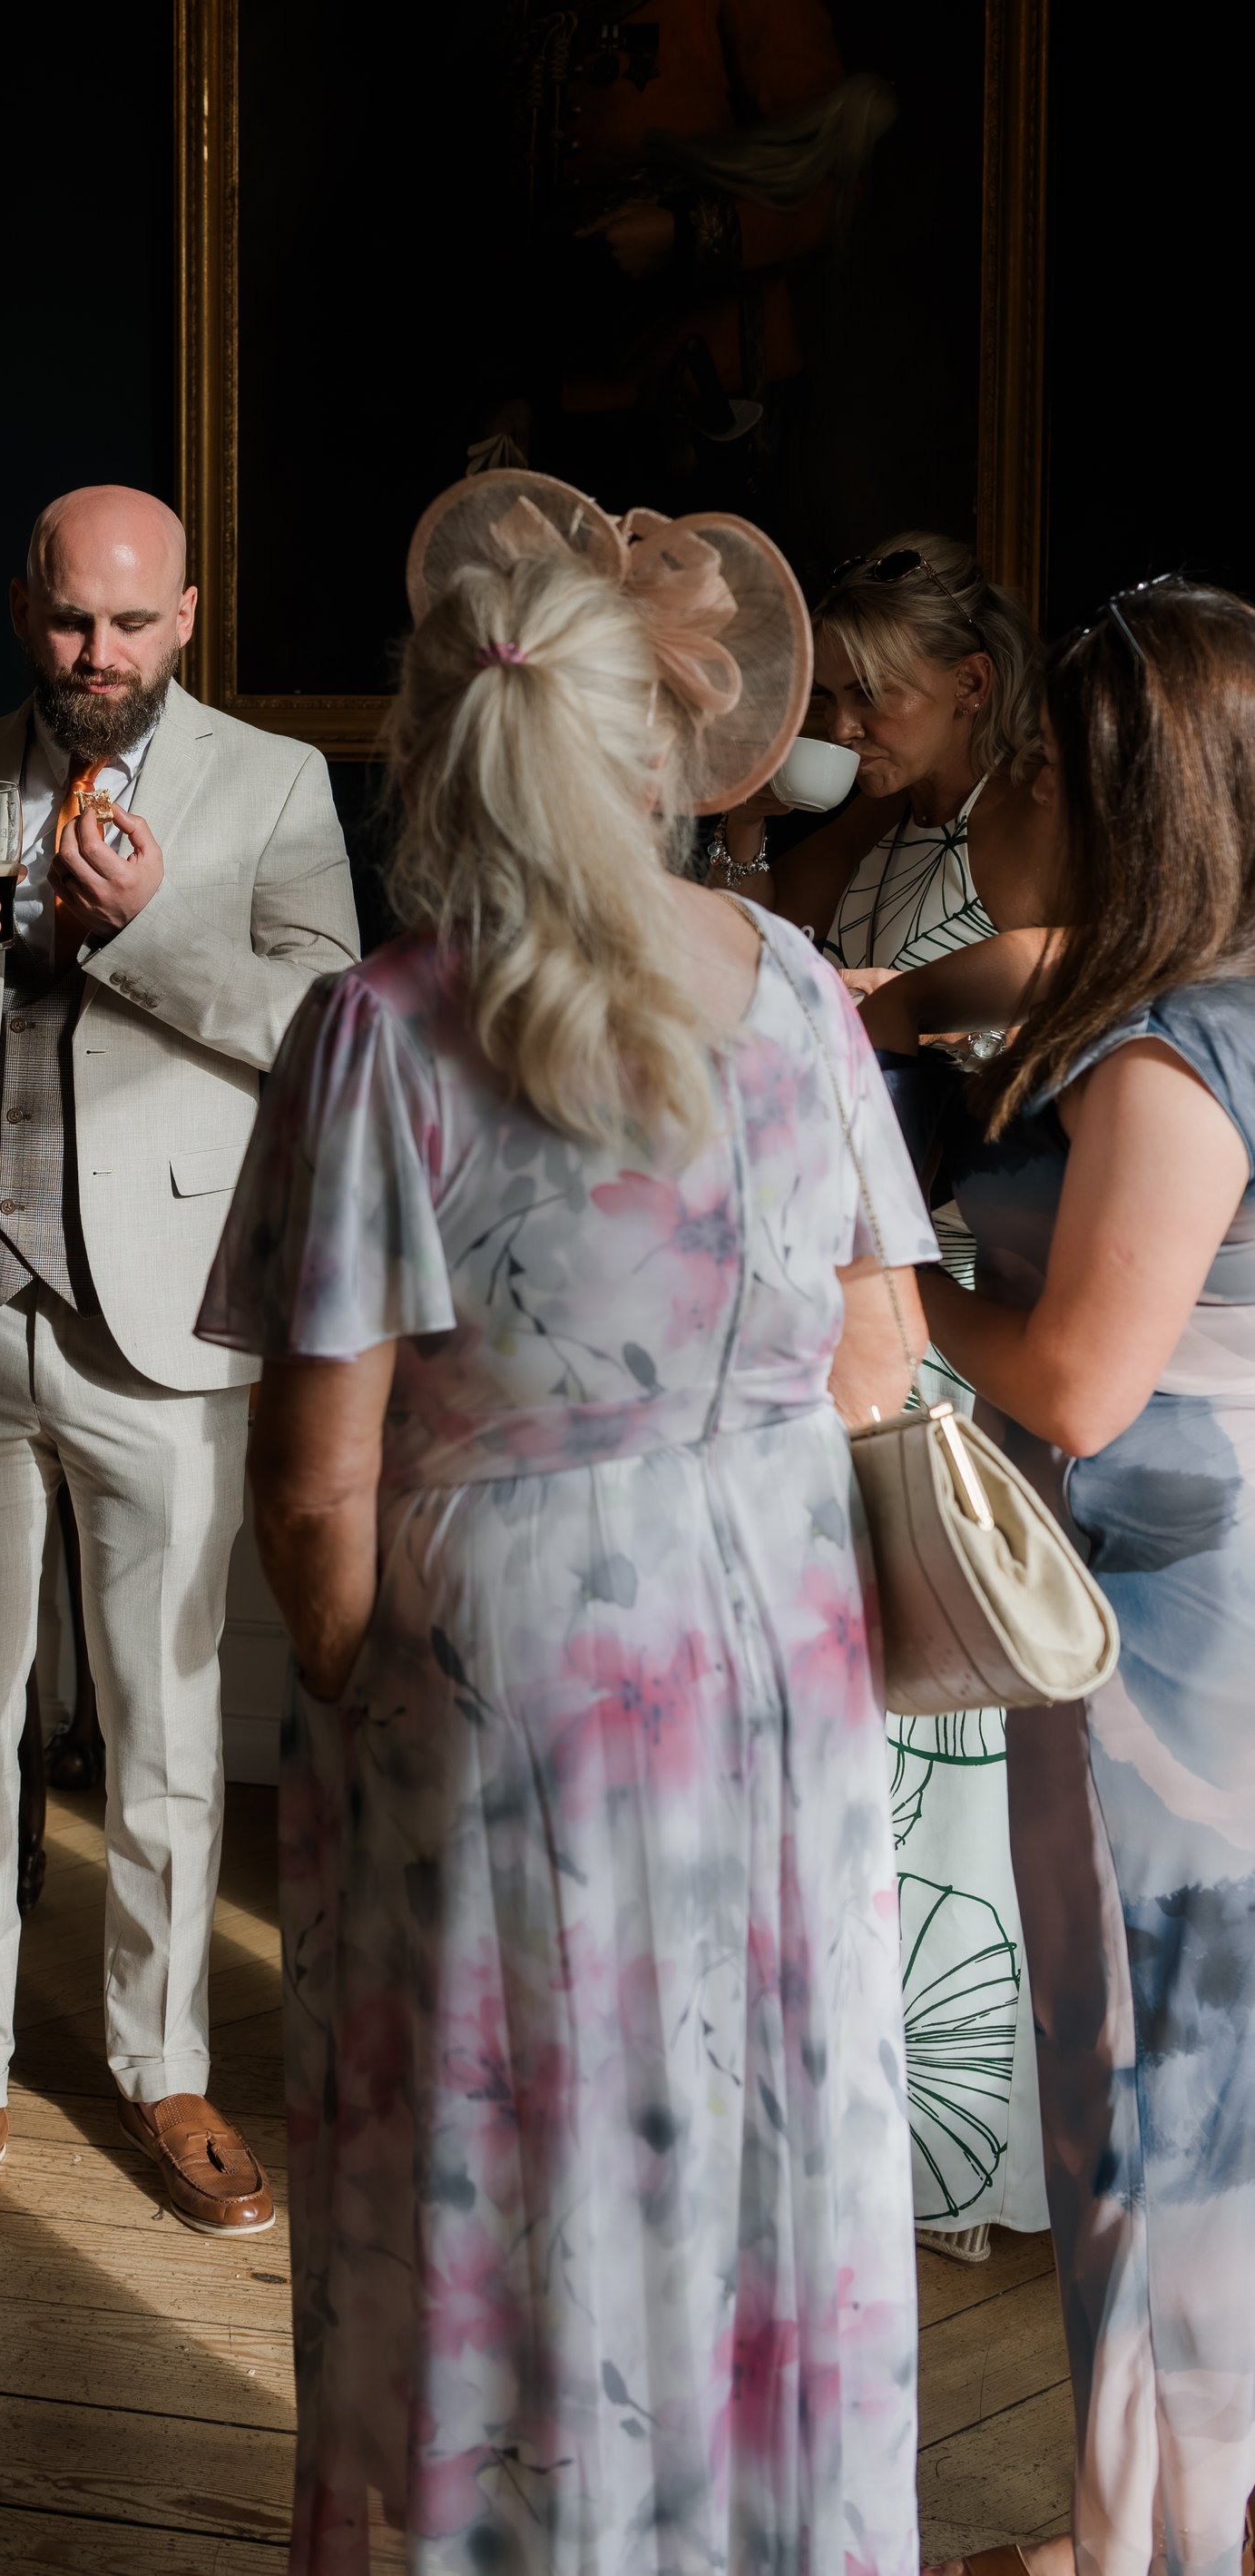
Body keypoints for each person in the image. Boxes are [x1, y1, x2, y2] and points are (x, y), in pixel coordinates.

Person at [200, 468, 933, 2576]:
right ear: (663, 747)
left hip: (502, 1666)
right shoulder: (795, 986)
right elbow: (875, 1355)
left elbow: (315, 1476)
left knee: (507, 2154)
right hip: (771, 1659)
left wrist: (369, 1687)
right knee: (752, 2130)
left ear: (427, 751)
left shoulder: (382, 1030)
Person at [0, 485, 358, 2243]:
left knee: (162, 1732)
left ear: (187, 617)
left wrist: (151, 932)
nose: (100, 656)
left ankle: (161, 2072)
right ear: (20, 609)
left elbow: (320, 1025)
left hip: (160, 1325)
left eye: (133, 624)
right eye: (71, 621)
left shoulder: (272, 787)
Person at [886, 578, 1255, 2576]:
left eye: (1026, 761)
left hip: (1156, 1663)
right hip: (1199, 1621)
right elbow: (1009, 961)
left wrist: (896, 1294)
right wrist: (902, 999)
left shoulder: (1172, 1062)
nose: (994, 782)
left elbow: (1074, 1383)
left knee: (1149, 2095)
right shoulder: (1186, 991)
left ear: (1117, 800)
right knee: (1182, 2092)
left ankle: (1138, 2549)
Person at [713, 527, 1061, 2257]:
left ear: (975, 685)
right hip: (849, 1286)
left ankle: (957, 2120)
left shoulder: (1031, 826)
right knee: (869, 1715)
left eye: (872, 690)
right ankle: (850, 2088)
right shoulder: (872, 830)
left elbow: (1071, 964)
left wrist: (899, 1008)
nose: (845, 715)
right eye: (828, 690)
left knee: (950, 1702)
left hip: (959, 1289)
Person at [484, 0, 871, 505]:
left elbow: (823, 186)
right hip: (573, 387)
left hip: (710, 389)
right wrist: (519, 382)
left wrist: (681, 233)